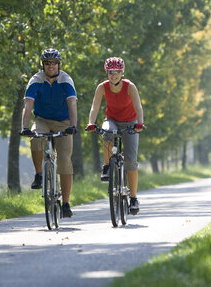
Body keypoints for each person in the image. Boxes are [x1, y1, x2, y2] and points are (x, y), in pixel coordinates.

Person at [20, 48, 78, 218]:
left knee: (65, 160)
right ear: (43, 65)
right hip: (42, 120)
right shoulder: (35, 80)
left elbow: (72, 104)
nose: (51, 66)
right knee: (35, 138)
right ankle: (39, 174)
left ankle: (66, 203)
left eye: (54, 63)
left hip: (63, 122)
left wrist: (72, 126)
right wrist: (25, 127)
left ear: (59, 64)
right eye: (47, 63)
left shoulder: (66, 80)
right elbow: (28, 104)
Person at [86, 57, 144, 215]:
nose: (113, 76)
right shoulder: (102, 87)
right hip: (112, 120)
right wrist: (91, 122)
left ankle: (133, 198)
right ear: (107, 73)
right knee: (106, 132)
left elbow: (138, 107)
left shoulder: (129, 86)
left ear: (122, 72)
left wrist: (140, 124)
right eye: (110, 73)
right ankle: (107, 166)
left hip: (130, 123)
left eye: (116, 72)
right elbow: (94, 107)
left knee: (131, 160)